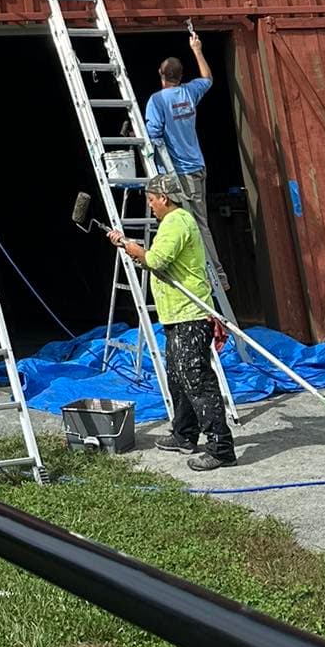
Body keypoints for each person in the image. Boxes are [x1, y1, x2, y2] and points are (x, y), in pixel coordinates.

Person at [109, 176, 235, 471]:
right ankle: (184, 434)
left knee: (198, 380)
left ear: (164, 198)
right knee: (178, 378)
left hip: (190, 314)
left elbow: (157, 259)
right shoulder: (173, 223)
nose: (150, 206)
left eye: (151, 200)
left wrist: (130, 246)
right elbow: (158, 259)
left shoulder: (177, 221)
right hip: (175, 314)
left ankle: (221, 448)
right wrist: (134, 248)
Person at [143, 28, 228, 286]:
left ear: (161, 75)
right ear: (180, 76)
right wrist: (197, 51)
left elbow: (153, 134)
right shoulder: (190, 92)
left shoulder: (157, 101)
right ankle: (211, 274)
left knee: (183, 222)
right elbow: (208, 78)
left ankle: (214, 275)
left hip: (178, 172)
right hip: (197, 166)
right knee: (198, 222)